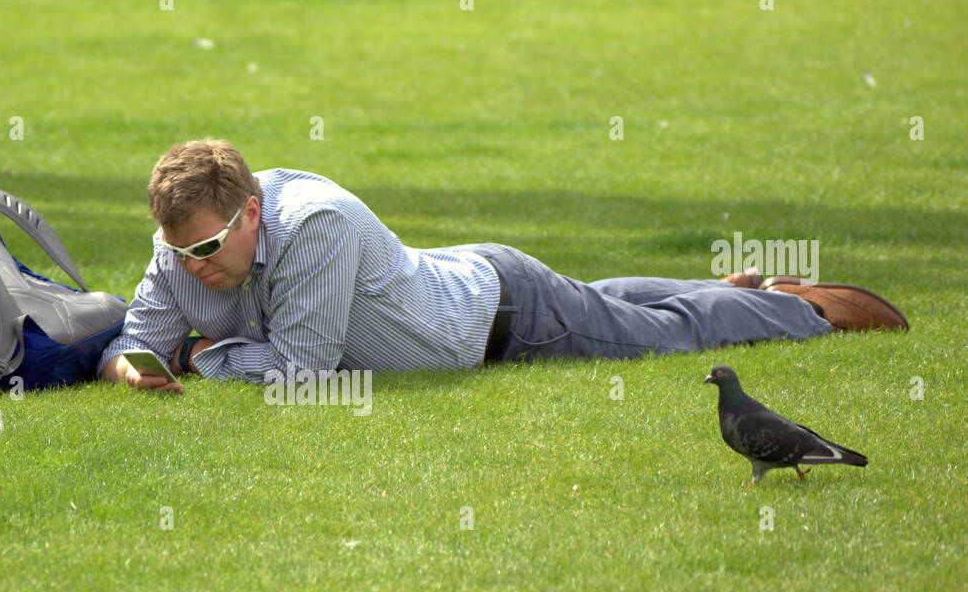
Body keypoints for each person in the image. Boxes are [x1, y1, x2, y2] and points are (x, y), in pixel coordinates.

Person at [97, 140, 908, 393]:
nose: (188, 267)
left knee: (661, 339)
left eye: (204, 250)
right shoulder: (181, 240)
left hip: (503, 323)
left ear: (248, 213)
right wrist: (131, 369)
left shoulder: (316, 225)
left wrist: (202, 358)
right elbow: (132, 340)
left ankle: (805, 310)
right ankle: (731, 289)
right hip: (476, 279)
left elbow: (303, 374)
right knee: (607, 305)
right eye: (176, 252)